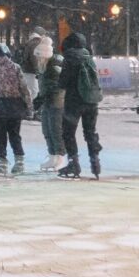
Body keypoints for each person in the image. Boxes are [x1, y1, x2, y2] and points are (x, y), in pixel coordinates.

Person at [58, 32, 103, 179]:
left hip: (74, 101)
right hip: (91, 101)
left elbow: (63, 82)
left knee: (68, 133)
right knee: (90, 132)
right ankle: (95, 161)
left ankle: (73, 163)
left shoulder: (69, 58)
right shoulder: (89, 58)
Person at [0, 43, 34, 176]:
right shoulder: (15, 67)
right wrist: (29, 107)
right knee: (14, 134)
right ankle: (20, 162)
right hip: (14, 104)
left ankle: (2, 162)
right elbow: (24, 89)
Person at [34, 54, 67, 171]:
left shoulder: (54, 68)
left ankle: (60, 157)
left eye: (39, 55)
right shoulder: (44, 68)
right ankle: (52, 156)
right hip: (47, 103)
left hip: (57, 103)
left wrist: (40, 99)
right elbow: (44, 88)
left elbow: (54, 87)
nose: (37, 58)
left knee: (56, 130)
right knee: (47, 130)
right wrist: (39, 98)